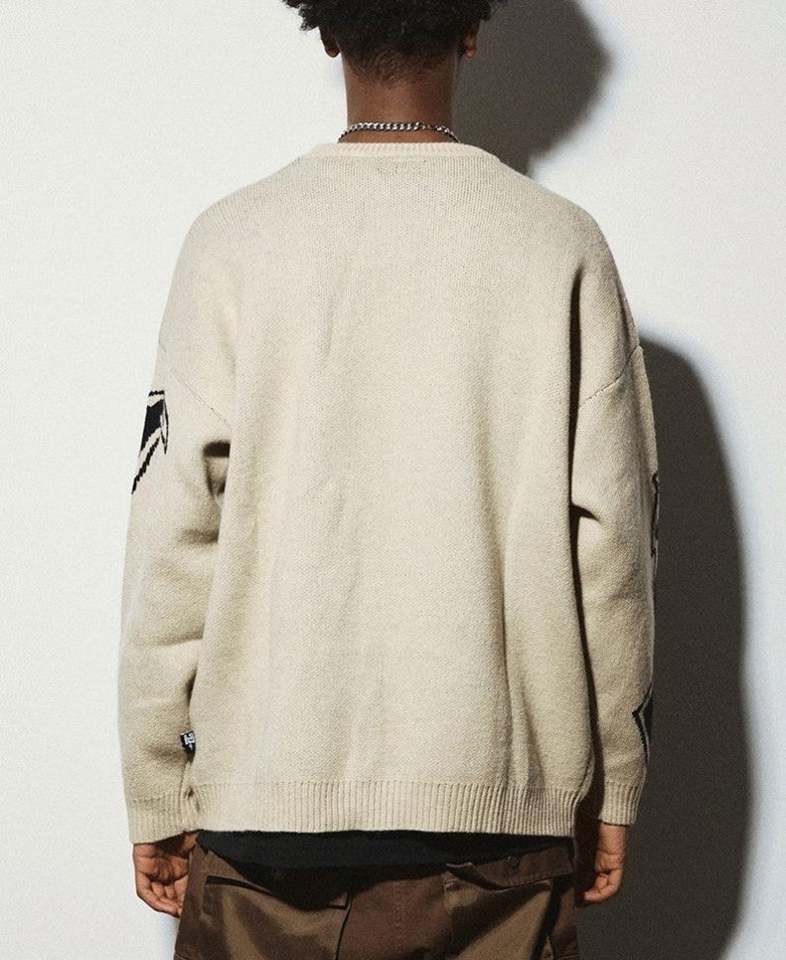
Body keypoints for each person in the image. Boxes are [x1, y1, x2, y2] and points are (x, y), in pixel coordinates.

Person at [117, 1, 660, 957]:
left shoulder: (232, 241)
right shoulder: (560, 245)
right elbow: (613, 548)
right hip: (499, 834)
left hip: (264, 834)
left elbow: (174, 534)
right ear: (472, 32)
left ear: (326, 31)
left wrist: (157, 784)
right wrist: (614, 780)